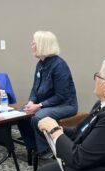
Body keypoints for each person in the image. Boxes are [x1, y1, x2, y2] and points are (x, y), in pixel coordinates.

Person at [17, 31, 78, 160]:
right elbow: (35, 88)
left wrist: (39, 105)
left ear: (42, 45)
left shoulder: (59, 65)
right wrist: (31, 102)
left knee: (38, 117)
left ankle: (46, 151)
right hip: (46, 105)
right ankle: (32, 147)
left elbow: (61, 96)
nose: (31, 45)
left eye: (34, 43)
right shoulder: (40, 64)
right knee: (20, 114)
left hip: (65, 105)